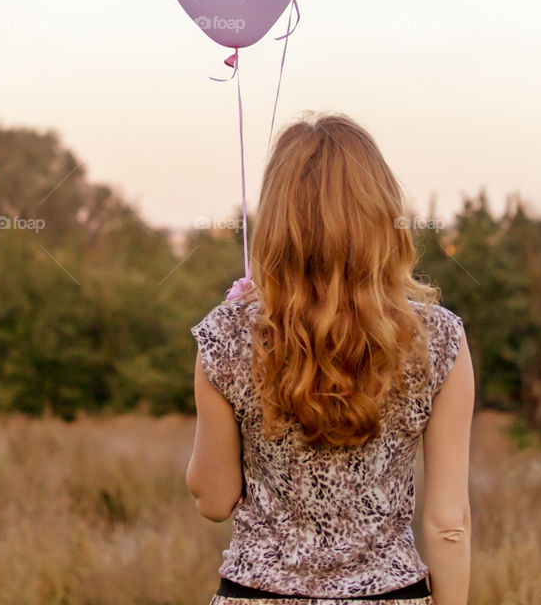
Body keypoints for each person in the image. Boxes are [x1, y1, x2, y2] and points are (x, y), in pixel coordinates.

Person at [186, 112, 474, 605]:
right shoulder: (439, 338)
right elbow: (449, 524)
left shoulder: (227, 334)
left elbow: (213, 500)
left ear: (277, 220)